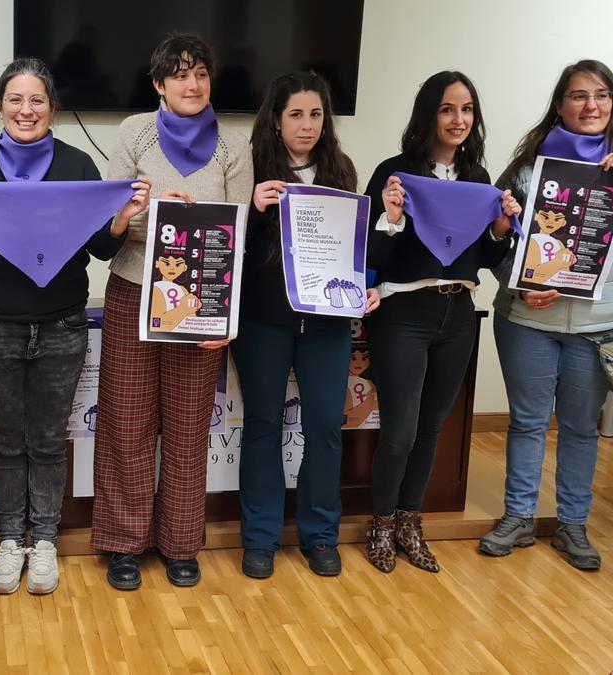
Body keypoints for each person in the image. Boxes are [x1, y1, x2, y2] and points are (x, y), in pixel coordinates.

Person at [0, 57, 149, 596]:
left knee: (46, 438)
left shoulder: (80, 166)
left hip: (60, 325)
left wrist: (123, 215)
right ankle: (10, 539)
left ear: (52, 110)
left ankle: (44, 540)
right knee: (7, 441)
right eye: (15, 99)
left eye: (37, 100)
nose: (26, 109)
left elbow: (101, 248)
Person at [479, 60, 613, 570]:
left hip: (602, 323)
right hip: (529, 321)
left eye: (602, 95)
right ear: (560, 105)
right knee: (526, 422)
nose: (592, 106)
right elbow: (495, 239)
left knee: (581, 427)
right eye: (579, 96)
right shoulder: (528, 166)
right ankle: (518, 517)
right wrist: (520, 287)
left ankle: (572, 524)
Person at [91, 33, 253, 590]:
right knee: (127, 422)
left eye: (201, 73)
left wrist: (226, 317)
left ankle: (182, 543)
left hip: (203, 298)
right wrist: (154, 218)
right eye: (180, 74)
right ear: (159, 84)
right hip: (135, 289)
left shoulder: (235, 147)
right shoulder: (132, 132)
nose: (193, 84)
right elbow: (113, 217)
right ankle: (123, 544)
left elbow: (239, 235)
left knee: (187, 429)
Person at [363, 71, 519, 574]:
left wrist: (499, 229)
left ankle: (412, 521)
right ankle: (381, 522)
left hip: (459, 314)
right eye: (448, 109)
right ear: (429, 114)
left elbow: (482, 252)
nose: (458, 120)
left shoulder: (479, 179)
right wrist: (388, 217)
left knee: (433, 428)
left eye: (467, 110)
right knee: (401, 431)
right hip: (404, 312)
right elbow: (369, 251)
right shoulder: (394, 173)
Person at [232, 71, 378, 579]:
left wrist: (367, 285)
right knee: (263, 427)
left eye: (316, 114)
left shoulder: (342, 169)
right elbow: (226, 249)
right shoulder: (248, 170)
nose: (307, 125)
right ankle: (260, 538)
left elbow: (353, 251)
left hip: (327, 326)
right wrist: (249, 209)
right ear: (275, 119)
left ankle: (320, 536)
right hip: (263, 322)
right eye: (296, 114)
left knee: (324, 428)